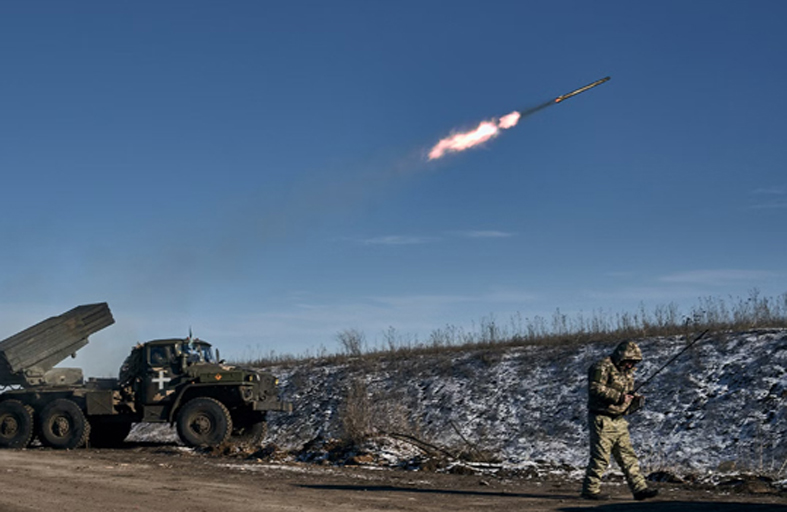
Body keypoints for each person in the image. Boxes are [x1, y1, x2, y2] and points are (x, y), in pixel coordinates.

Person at [580, 340, 659, 501]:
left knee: (628, 456)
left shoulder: (627, 372)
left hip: (619, 419)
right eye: (629, 361)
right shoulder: (601, 367)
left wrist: (633, 399)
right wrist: (619, 397)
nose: (631, 365)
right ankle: (590, 490)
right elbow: (595, 388)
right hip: (602, 418)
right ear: (621, 357)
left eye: (634, 362)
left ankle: (639, 489)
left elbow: (626, 390)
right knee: (601, 457)